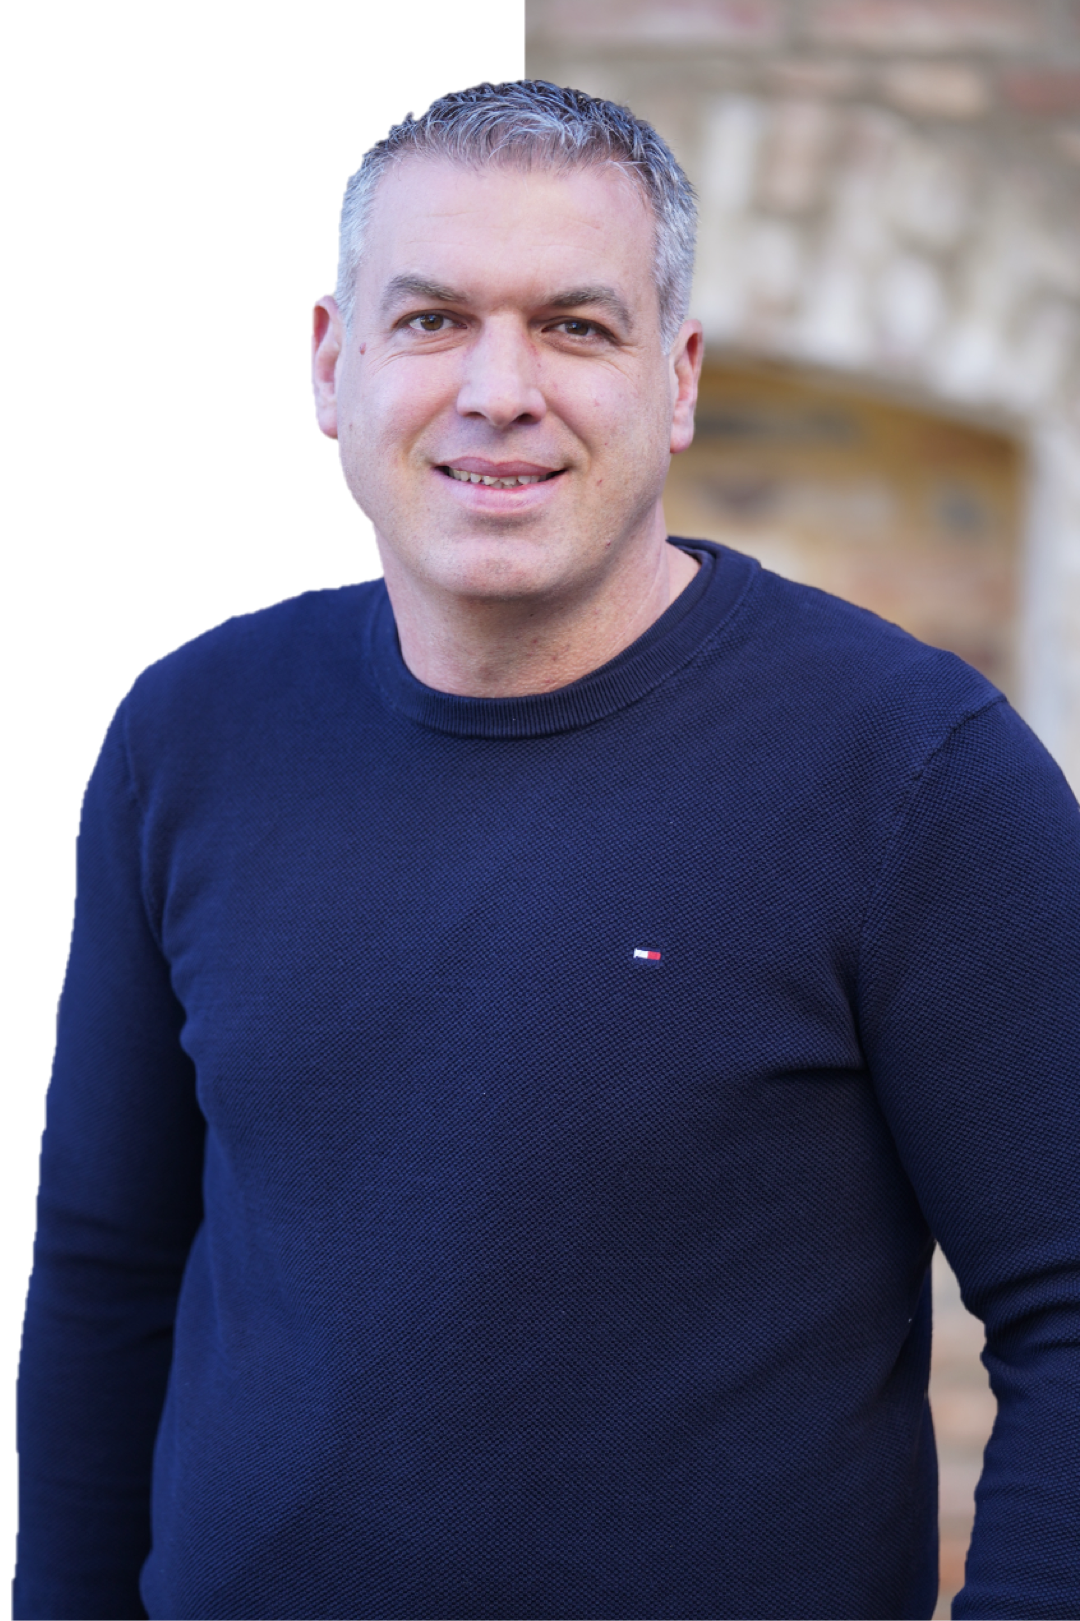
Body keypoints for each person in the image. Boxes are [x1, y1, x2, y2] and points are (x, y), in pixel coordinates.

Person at [14, 79, 1079, 1621]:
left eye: (575, 327)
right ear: (331, 362)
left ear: (678, 379)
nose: (498, 389)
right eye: (432, 319)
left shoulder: (915, 773)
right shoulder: (188, 732)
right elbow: (104, 1268)